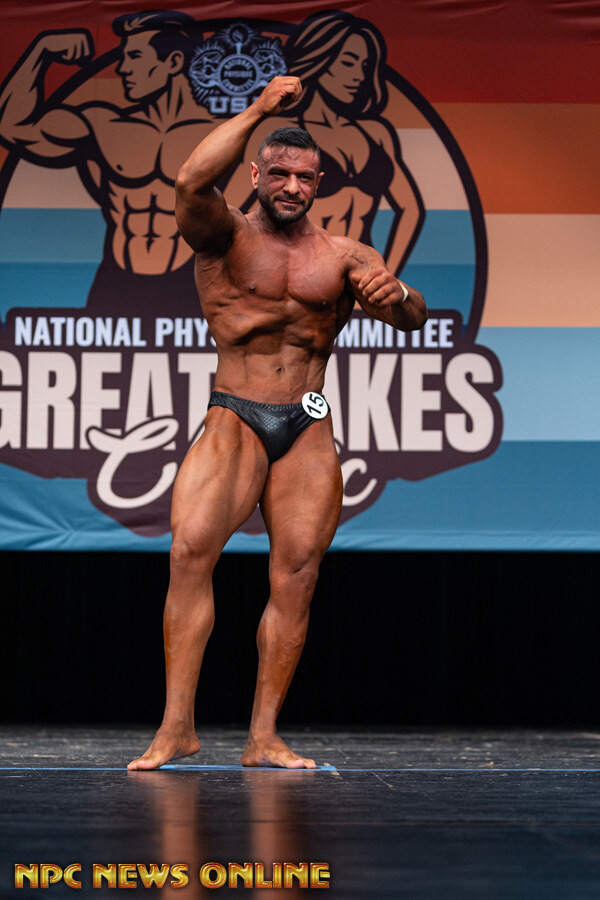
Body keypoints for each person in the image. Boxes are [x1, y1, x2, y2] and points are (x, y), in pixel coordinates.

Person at [127, 74, 427, 771]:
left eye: (305, 177)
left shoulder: (345, 255)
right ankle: (177, 728)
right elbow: (190, 180)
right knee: (189, 554)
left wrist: (400, 292)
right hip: (235, 412)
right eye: (280, 173)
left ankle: (263, 736)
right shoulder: (222, 234)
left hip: (308, 422)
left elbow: (410, 317)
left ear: (320, 183)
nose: (292, 186)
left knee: (297, 575)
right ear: (257, 175)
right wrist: (259, 108)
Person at [0, 11, 215, 312]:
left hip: (189, 282)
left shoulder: (218, 137)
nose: (122, 68)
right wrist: (41, 51)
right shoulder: (104, 125)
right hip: (116, 281)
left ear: (174, 62)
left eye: (134, 57)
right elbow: (13, 126)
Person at [224, 10, 423, 277]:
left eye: (364, 66)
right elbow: (228, 212)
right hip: (298, 275)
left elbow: (410, 209)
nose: (359, 76)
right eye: (348, 62)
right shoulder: (280, 137)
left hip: (355, 274)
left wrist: (384, 275)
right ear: (320, 60)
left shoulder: (376, 134)